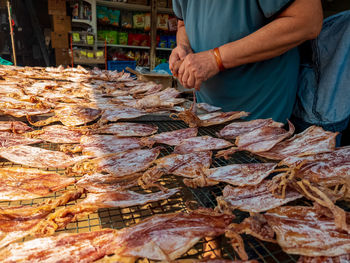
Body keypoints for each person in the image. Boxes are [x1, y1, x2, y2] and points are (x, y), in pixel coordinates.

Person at [169, 0, 323, 123]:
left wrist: (216, 59)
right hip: (206, 115)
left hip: (261, 117)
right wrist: (184, 46)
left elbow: (308, 21)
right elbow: (183, 23)